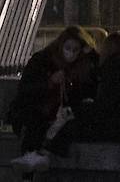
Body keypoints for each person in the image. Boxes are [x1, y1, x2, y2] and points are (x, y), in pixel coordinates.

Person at [45, 32, 120, 158]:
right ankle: (50, 155)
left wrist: (78, 109)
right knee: (75, 125)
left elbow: (104, 107)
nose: (100, 51)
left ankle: (51, 159)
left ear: (108, 49)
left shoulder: (117, 66)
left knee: (73, 127)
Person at [7, 26, 99, 172]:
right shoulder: (42, 60)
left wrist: (92, 53)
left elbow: (91, 88)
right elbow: (26, 91)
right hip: (35, 110)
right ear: (60, 45)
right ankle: (33, 158)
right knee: (35, 121)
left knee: (69, 123)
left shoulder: (82, 67)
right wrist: (49, 82)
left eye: (75, 50)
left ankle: (39, 156)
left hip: (62, 115)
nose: (71, 53)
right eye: (68, 48)